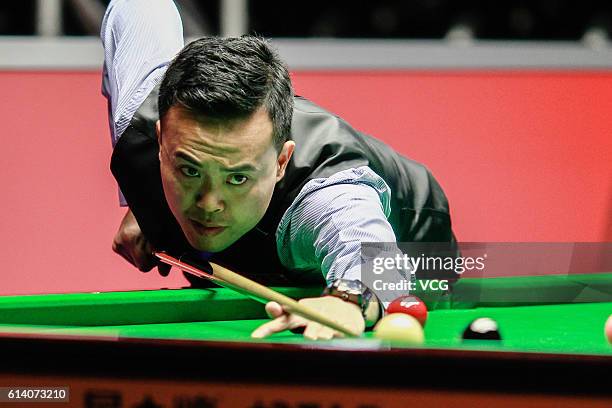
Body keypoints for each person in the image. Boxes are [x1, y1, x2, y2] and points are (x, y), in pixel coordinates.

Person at [102, 0, 457, 340]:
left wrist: (350, 298)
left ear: (281, 163)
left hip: (414, 241)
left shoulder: (325, 196)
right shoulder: (142, 121)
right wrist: (141, 202)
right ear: (161, 143)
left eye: (237, 178)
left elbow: (373, 255)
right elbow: (139, 6)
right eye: (189, 170)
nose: (209, 203)